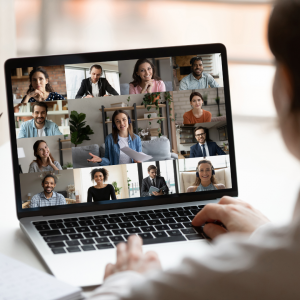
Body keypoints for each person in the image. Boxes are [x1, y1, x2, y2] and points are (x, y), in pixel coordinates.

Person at [86, 1, 300, 299]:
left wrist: (126, 281)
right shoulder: (117, 131)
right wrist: (266, 237)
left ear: (286, 85)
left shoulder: (240, 274)